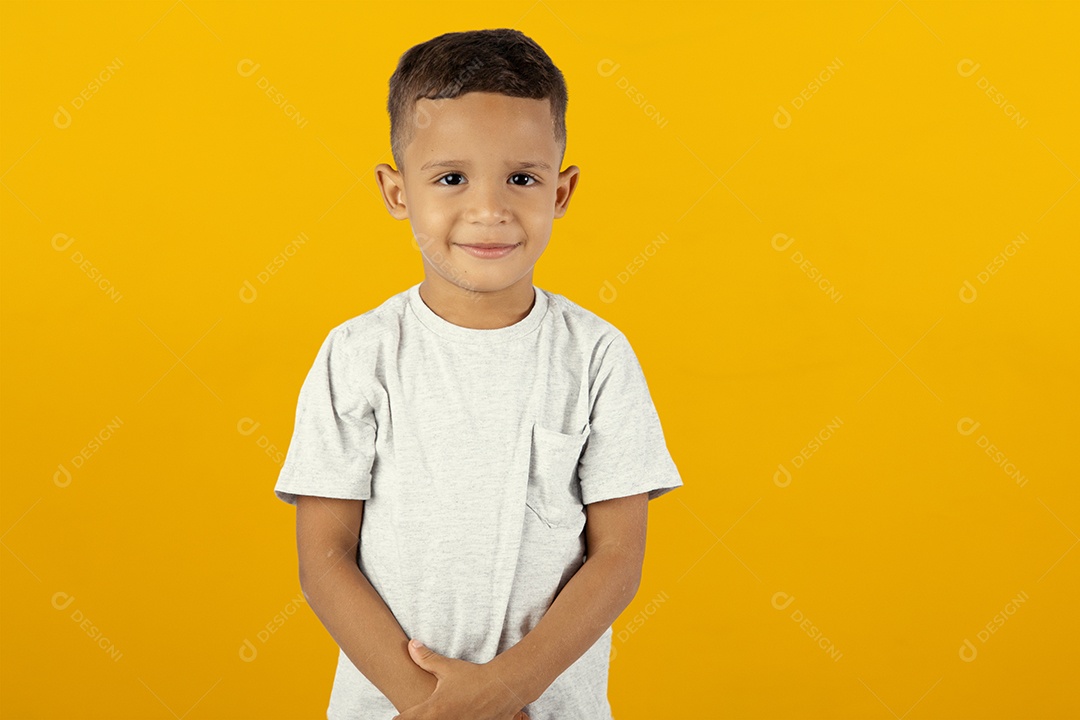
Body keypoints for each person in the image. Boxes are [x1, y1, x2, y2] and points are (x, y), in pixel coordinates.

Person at [274, 27, 684, 720]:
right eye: (451, 178)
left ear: (561, 191)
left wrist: (506, 690)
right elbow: (325, 560)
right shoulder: (357, 355)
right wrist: (441, 707)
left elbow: (617, 559)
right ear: (397, 191)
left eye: (522, 178)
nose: (489, 210)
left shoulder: (597, 356)